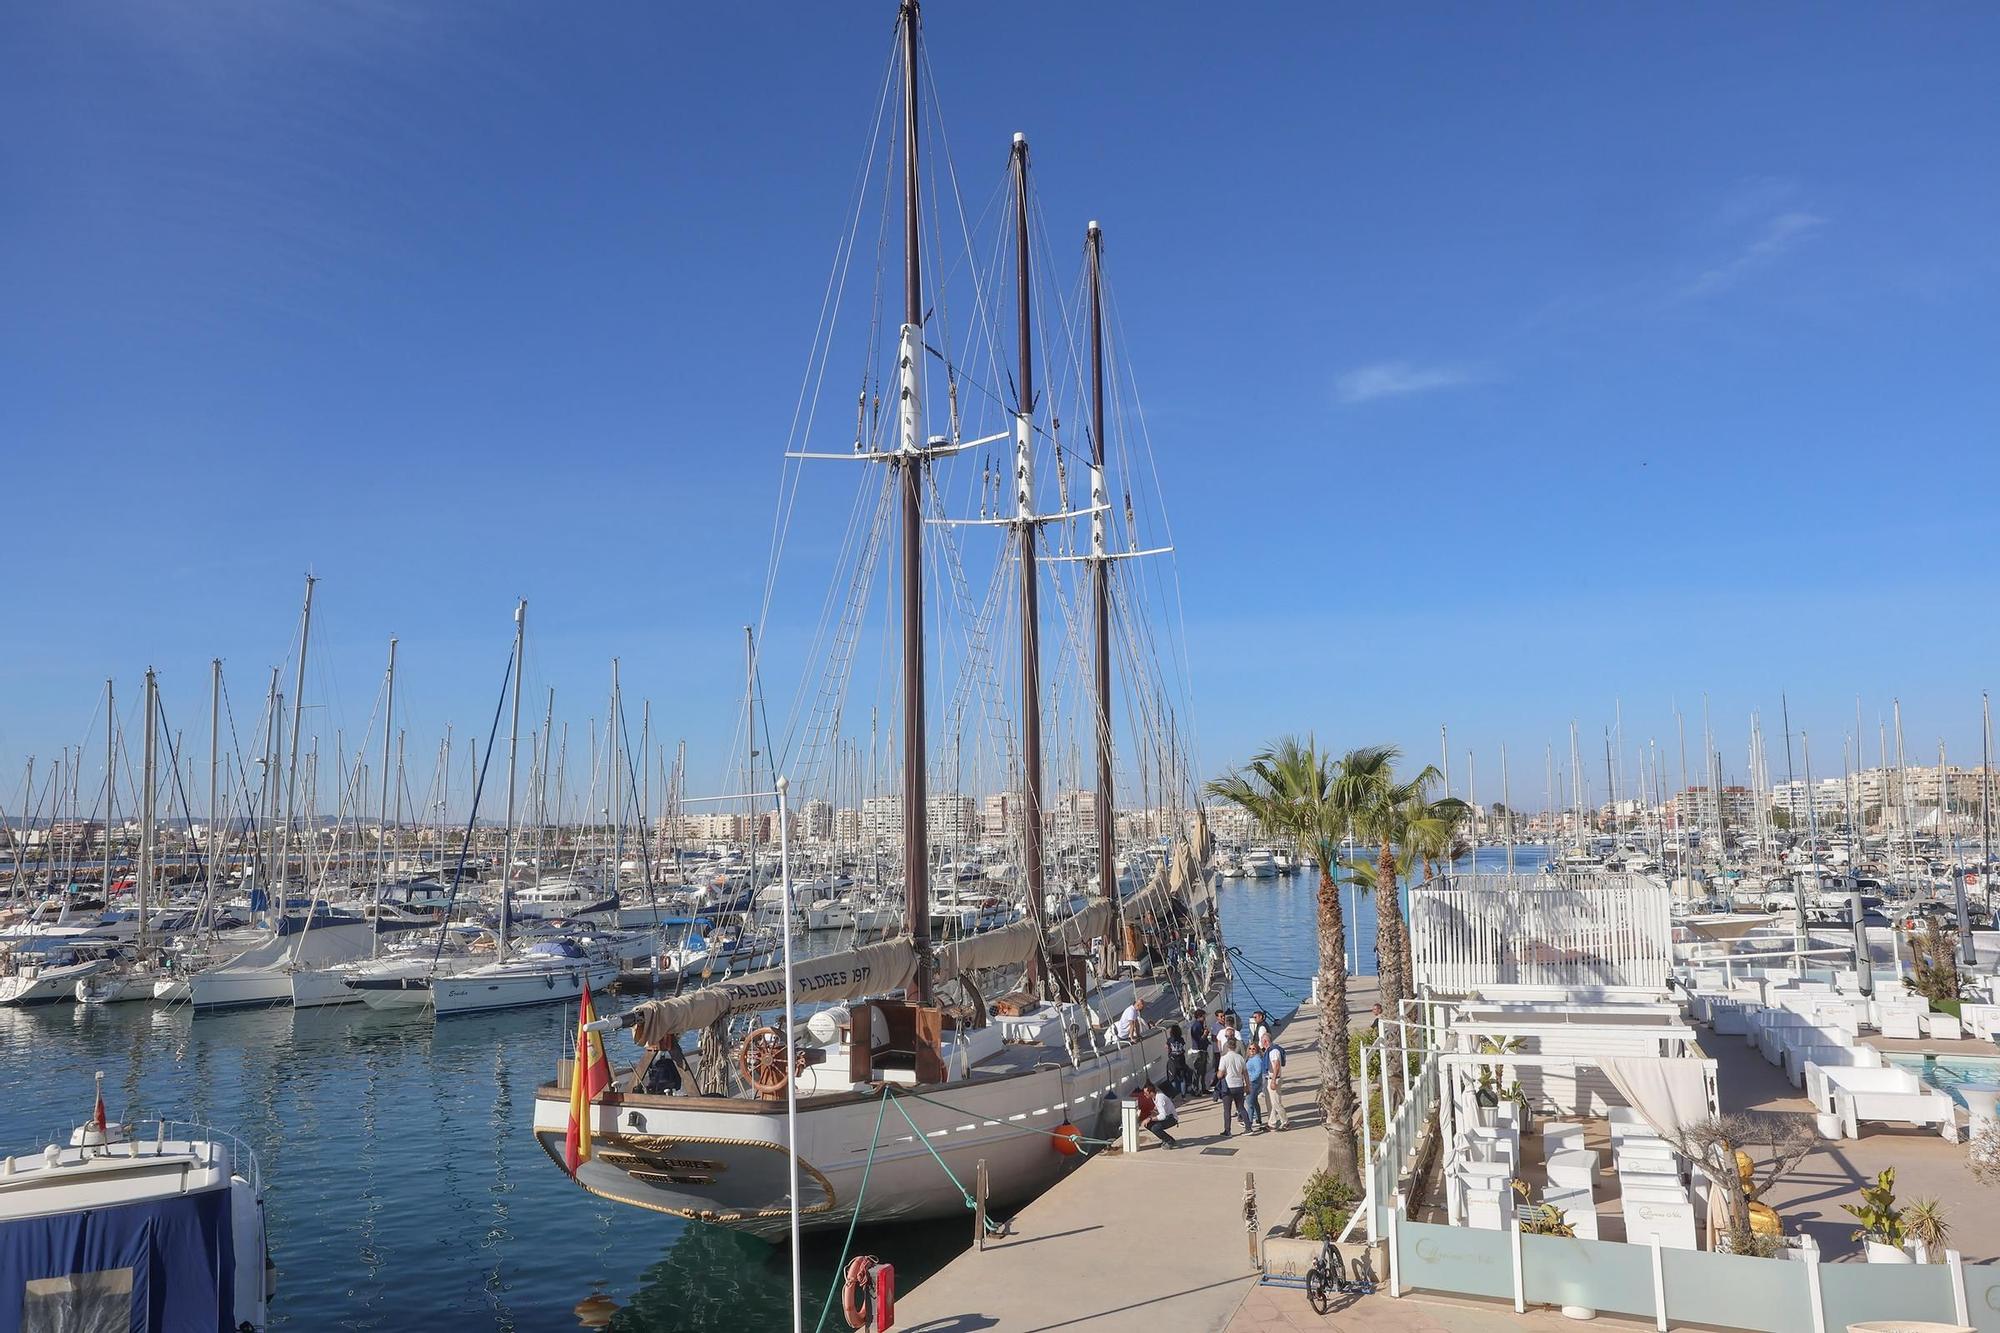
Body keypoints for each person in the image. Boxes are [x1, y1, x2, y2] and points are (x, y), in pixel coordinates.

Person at [1217, 1036, 1250, 1136]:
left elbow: (1220, 1074)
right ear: (1235, 1046)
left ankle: (1228, 1131)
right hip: (1239, 1085)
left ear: (1227, 1046)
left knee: (1227, 1110)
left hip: (1228, 1086)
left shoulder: (1224, 1058)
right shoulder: (1240, 1058)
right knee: (1241, 1107)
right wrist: (1247, 1085)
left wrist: (1218, 1074)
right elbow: (1245, 1073)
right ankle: (1248, 1128)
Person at [1137, 1080, 1180, 1148]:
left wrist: (1149, 1118)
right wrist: (1146, 1119)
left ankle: (1170, 1141)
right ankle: (1165, 1139)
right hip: (1167, 1116)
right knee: (1147, 1124)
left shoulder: (1160, 1098)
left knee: (1155, 1128)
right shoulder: (1155, 1097)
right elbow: (1156, 1110)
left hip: (1171, 1118)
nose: (1144, 1095)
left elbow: (1163, 1116)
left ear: (1151, 1092)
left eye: (1146, 1093)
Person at [1261, 1033, 1288, 1130]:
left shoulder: (1273, 1051)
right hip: (1270, 1077)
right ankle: (1271, 1123)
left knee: (1276, 1102)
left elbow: (1276, 1065)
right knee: (1270, 1103)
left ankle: (1285, 1121)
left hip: (1274, 1078)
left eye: (1262, 1041)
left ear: (1265, 1041)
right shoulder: (1270, 1050)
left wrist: (1273, 1081)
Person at [1244, 1041, 1269, 1133]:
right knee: (1254, 1101)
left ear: (1257, 1049)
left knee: (1249, 1102)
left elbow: (1258, 1072)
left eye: (1253, 1049)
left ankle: (1249, 1122)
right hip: (1252, 1082)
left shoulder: (1257, 1059)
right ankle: (1258, 1119)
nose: (1251, 1050)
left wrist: (1250, 1080)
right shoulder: (1251, 1058)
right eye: (1250, 1048)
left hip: (1253, 1083)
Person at [1187, 1011, 1211, 1095]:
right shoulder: (1196, 1026)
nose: (1205, 1018)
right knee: (1197, 1071)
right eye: (1203, 1016)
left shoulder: (1200, 1025)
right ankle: (1195, 1089)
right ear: (1199, 1017)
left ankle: (1203, 1088)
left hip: (1203, 1050)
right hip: (1198, 1051)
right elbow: (1198, 1041)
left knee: (1203, 1071)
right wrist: (1204, 1035)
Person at [1165, 1024, 1191, 1097]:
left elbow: (1167, 1048)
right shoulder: (1181, 1039)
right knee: (1182, 1078)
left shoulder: (1169, 1040)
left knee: (1172, 1078)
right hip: (1181, 1060)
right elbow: (1183, 1048)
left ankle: (1174, 1094)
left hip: (1172, 1061)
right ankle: (1183, 1096)